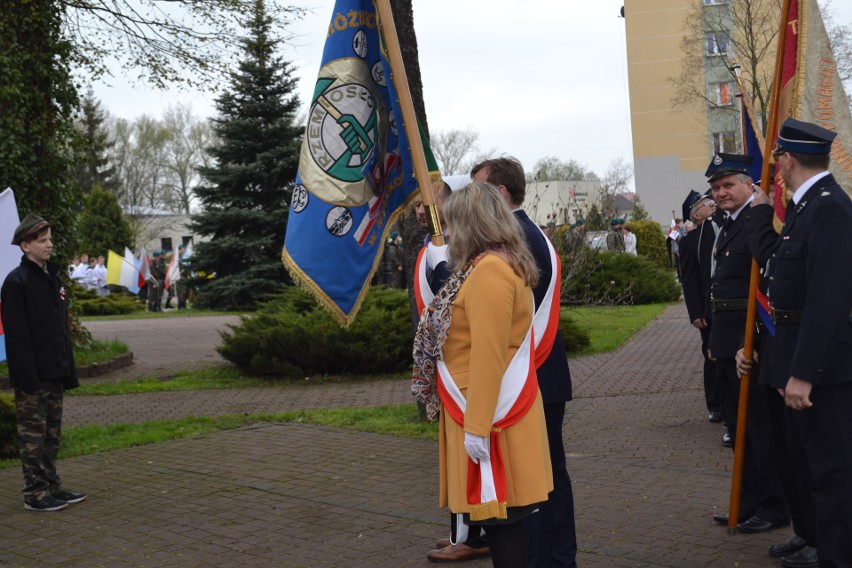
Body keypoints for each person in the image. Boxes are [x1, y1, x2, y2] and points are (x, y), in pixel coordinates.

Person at [413, 182, 553, 568]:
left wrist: (476, 427)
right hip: (486, 410)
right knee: (502, 524)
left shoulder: (490, 270)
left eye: (455, 224)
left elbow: (489, 355)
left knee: (502, 523)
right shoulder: (490, 264)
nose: (451, 233)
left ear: (473, 224)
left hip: (490, 417)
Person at [742, 118, 852, 567]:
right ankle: (823, 547)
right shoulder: (809, 208)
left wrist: (803, 375)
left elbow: (828, 301)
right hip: (800, 361)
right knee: (811, 471)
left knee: (832, 476)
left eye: (778, 159)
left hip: (824, 374)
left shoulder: (828, 209)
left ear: (786, 160)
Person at [472, 157, 577, 568]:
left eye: (479, 190)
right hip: (540, 374)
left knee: (536, 484)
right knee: (549, 477)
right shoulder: (524, 233)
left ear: (499, 194)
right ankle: (555, 556)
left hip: (531, 376)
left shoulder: (515, 243)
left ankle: (546, 558)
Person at [704, 153, 789, 534]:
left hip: (748, 342)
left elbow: (765, 290)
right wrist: (715, 342)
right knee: (738, 427)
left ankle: (773, 506)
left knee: (759, 430)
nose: (721, 194)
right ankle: (747, 499)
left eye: (728, 186)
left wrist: (746, 343)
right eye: (716, 188)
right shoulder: (726, 225)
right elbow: (721, 289)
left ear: (749, 185)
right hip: (726, 340)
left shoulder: (759, 223)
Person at [414, 180, 493, 563]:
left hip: (468, 383)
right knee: (456, 463)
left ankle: (475, 534)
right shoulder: (451, 251)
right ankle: (464, 530)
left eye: (427, 200)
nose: (421, 208)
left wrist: (441, 264)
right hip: (453, 375)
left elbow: (458, 301)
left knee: (472, 464)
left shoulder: (486, 265)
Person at [1, 214, 86, 512]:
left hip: (55, 370)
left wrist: (67, 369)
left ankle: (52, 486)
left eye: (49, 239)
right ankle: (34, 494)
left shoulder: (52, 278)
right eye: (42, 240)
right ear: (25, 246)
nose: (50, 245)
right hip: (33, 376)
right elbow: (18, 337)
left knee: (51, 435)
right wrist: (28, 378)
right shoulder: (16, 282)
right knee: (32, 437)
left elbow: (59, 328)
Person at [677, 190, 724, 425]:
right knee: (711, 355)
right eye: (707, 204)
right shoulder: (689, 243)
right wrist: (695, 313)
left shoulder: (724, 230)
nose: (712, 204)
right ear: (696, 214)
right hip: (707, 310)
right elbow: (689, 280)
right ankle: (715, 405)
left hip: (726, 305)